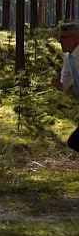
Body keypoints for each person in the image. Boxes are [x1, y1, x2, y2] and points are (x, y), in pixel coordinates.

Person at [52, 22, 79, 151]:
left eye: (64, 38)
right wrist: (58, 85)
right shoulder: (69, 58)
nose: (60, 41)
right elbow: (65, 85)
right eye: (60, 37)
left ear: (76, 38)